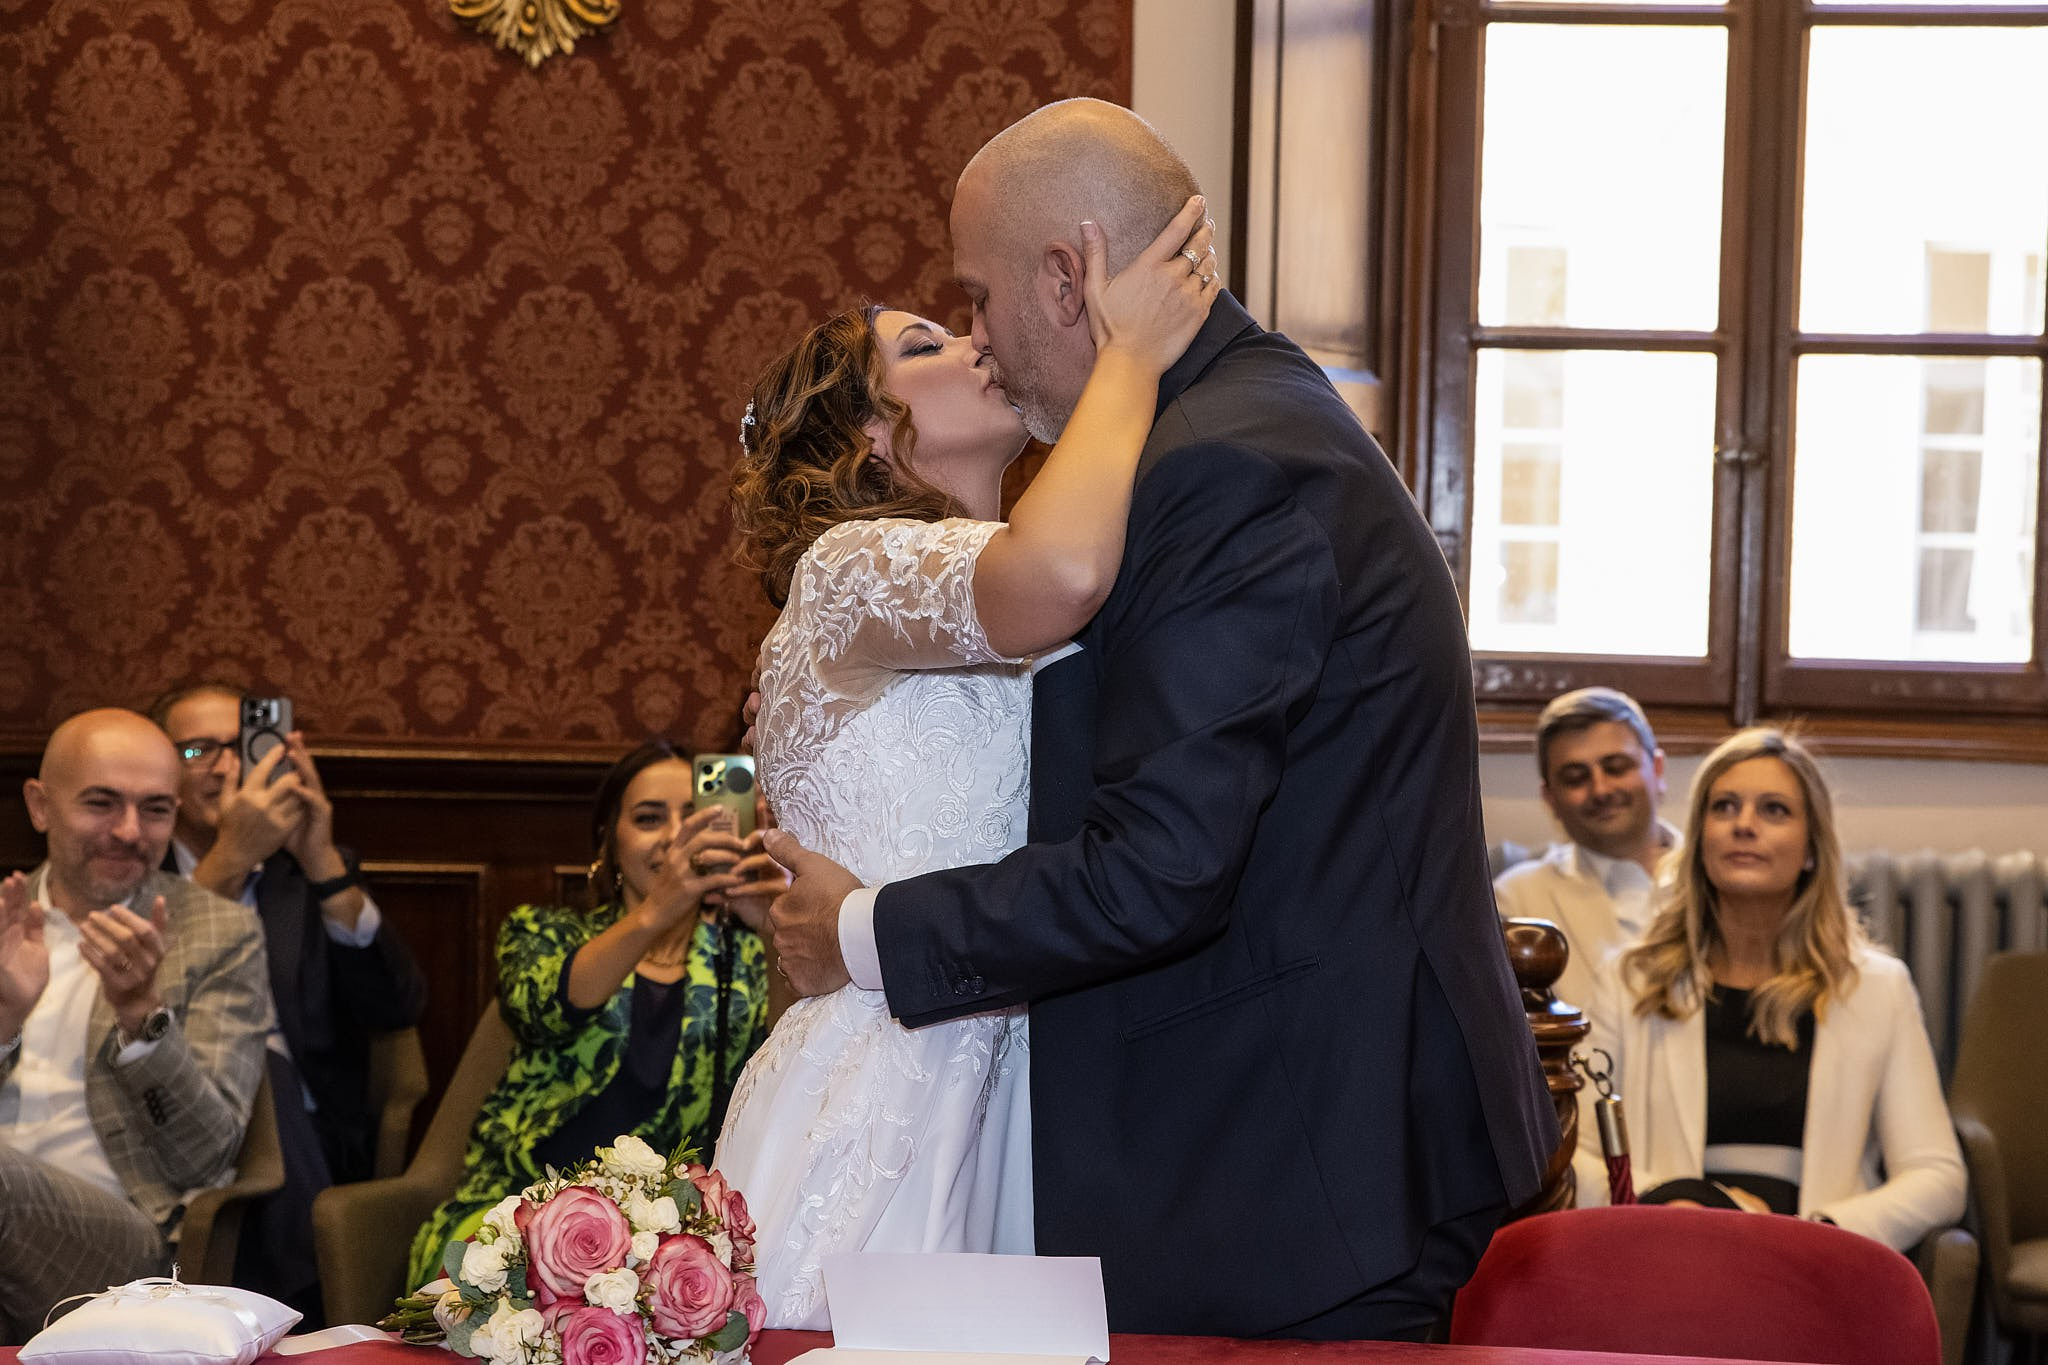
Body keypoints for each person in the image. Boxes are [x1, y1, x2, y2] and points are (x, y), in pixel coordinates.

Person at [760, 99, 1557, 1341]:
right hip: (1184, 1132)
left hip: (1291, 1160)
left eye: (976, 298)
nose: (977, 337)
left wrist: (857, 929)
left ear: (1065, 279)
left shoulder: (1214, 464)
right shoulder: (1216, 430)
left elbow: (1162, 867)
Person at [716, 194, 1221, 1331]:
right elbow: (1060, 577)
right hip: (891, 1078)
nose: (973, 342)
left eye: (958, 323)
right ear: (871, 435)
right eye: (922, 345)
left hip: (1034, 1062)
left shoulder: (1008, 582)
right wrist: (1128, 354)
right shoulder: (851, 568)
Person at [1572, 728, 1966, 1252]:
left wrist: (1820, 1232)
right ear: (1701, 841)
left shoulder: (1877, 988)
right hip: (1669, 1251)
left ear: (1810, 850)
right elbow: (1574, 1155)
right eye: (1725, 807)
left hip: (1812, 1264)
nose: (1744, 825)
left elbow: (1938, 1176)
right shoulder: (1629, 980)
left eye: (1774, 810)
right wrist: (1675, 1204)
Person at [405, 739, 773, 1289]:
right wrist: (658, 910)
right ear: (609, 844)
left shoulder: (744, 959)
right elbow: (545, 1007)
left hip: (664, 1238)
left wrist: (772, 926)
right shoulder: (543, 934)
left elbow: (795, 1058)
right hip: (516, 1212)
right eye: (650, 818)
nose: (675, 836)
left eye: (695, 818)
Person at [152, 682, 428, 1317]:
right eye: (197, 752)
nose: (224, 765)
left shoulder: (304, 873)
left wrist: (323, 856)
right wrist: (227, 861)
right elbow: (133, 1004)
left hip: (312, 1138)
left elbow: (398, 1007)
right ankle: (310, 1312)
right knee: (248, 1063)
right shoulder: (133, 868)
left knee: (266, 1074)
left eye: (240, 745)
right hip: (170, 1123)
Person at [0, 710, 270, 1343]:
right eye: (101, 804)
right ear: (40, 806)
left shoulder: (216, 934)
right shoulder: (5, 920)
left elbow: (207, 1157)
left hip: (124, 1243)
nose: (129, 832)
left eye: (155, 810)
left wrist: (141, 1017)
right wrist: (5, 1018)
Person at [1494, 687, 1676, 1012]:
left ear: (1658, 769)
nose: (1601, 789)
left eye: (1617, 767)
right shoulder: (1517, 900)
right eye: (1575, 777)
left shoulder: (1721, 877)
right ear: (1550, 798)